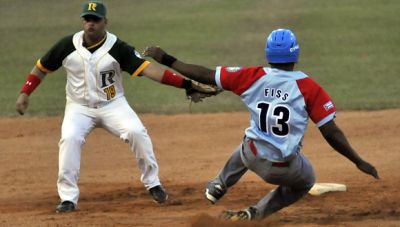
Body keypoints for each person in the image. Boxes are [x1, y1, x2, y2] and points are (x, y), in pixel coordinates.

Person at [143, 28, 379, 221]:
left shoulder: (251, 76)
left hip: (251, 156)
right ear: (295, 55)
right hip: (284, 168)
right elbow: (331, 133)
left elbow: (204, 74)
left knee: (250, 139)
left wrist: (165, 58)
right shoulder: (309, 87)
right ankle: (256, 213)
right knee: (307, 180)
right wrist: (359, 161)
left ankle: (219, 185)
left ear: (268, 55)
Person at [15, 1, 210, 213]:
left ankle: (153, 184)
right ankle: (68, 198)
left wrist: (186, 84)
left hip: (113, 105)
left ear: (105, 22)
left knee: (136, 132)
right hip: (78, 108)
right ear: (83, 21)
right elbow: (41, 67)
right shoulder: (67, 45)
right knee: (69, 139)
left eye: (96, 20)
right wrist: (25, 92)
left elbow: (150, 70)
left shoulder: (119, 48)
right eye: (87, 19)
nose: (91, 24)